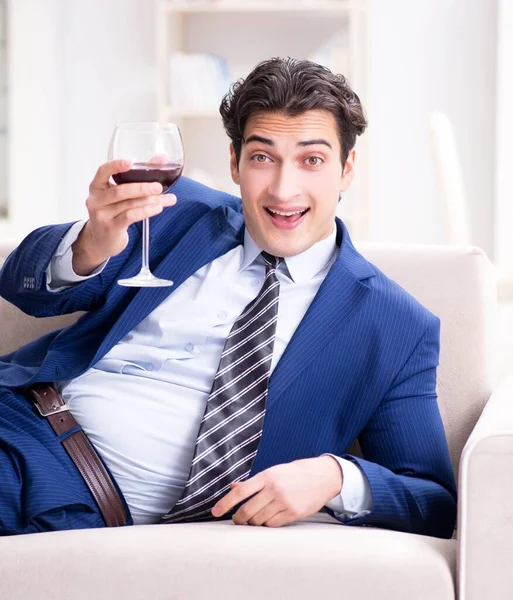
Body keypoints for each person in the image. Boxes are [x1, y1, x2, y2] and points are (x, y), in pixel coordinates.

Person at [0, 57, 456, 537]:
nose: (284, 189)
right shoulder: (174, 209)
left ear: (346, 169)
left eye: (311, 160)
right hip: (22, 421)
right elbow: (19, 284)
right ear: (235, 163)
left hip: (84, 502)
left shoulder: (394, 325)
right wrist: (91, 242)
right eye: (262, 157)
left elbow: (433, 500)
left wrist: (336, 477)